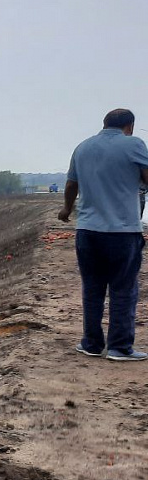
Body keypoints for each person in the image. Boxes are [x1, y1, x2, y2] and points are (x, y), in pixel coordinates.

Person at [59, 107, 148, 361]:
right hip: (122, 233)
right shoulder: (134, 144)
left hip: (87, 231)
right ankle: (120, 347)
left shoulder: (83, 147)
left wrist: (66, 209)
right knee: (123, 289)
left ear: (104, 124)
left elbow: (71, 185)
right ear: (129, 126)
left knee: (93, 288)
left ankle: (91, 343)